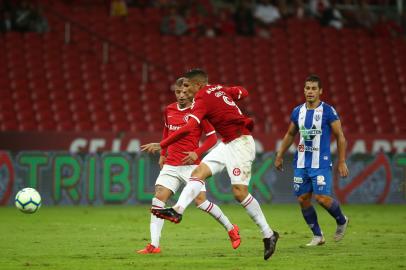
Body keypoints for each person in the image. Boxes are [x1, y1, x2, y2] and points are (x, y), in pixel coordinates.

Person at [142, 69, 279, 260]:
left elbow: (190, 127)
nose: (185, 89)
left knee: (239, 193)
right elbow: (243, 92)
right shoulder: (218, 89)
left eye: (188, 86)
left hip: (241, 143)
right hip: (227, 143)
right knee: (198, 173)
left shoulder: (202, 100)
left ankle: (268, 233)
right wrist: (233, 94)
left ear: (198, 85)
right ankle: (177, 211)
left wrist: (161, 144)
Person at [138, 78, 241, 254]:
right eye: (178, 92)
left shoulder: (200, 111)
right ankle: (154, 245)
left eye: (185, 92)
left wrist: (197, 152)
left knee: (201, 203)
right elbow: (166, 130)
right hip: (171, 164)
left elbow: (212, 138)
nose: (181, 96)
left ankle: (231, 228)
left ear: (191, 92)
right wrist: (163, 154)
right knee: (158, 198)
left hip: (191, 166)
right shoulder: (169, 110)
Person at [274, 74, 349, 246]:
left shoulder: (328, 111)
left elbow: (340, 136)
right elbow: (290, 134)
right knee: (303, 199)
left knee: (322, 198)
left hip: (320, 162)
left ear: (320, 91)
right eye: (307, 88)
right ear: (304, 90)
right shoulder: (297, 111)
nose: (310, 91)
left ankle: (342, 220)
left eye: (314, 88)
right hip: (301, 162)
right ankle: (318, 235)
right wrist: (279, 155)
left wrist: (342, 161)